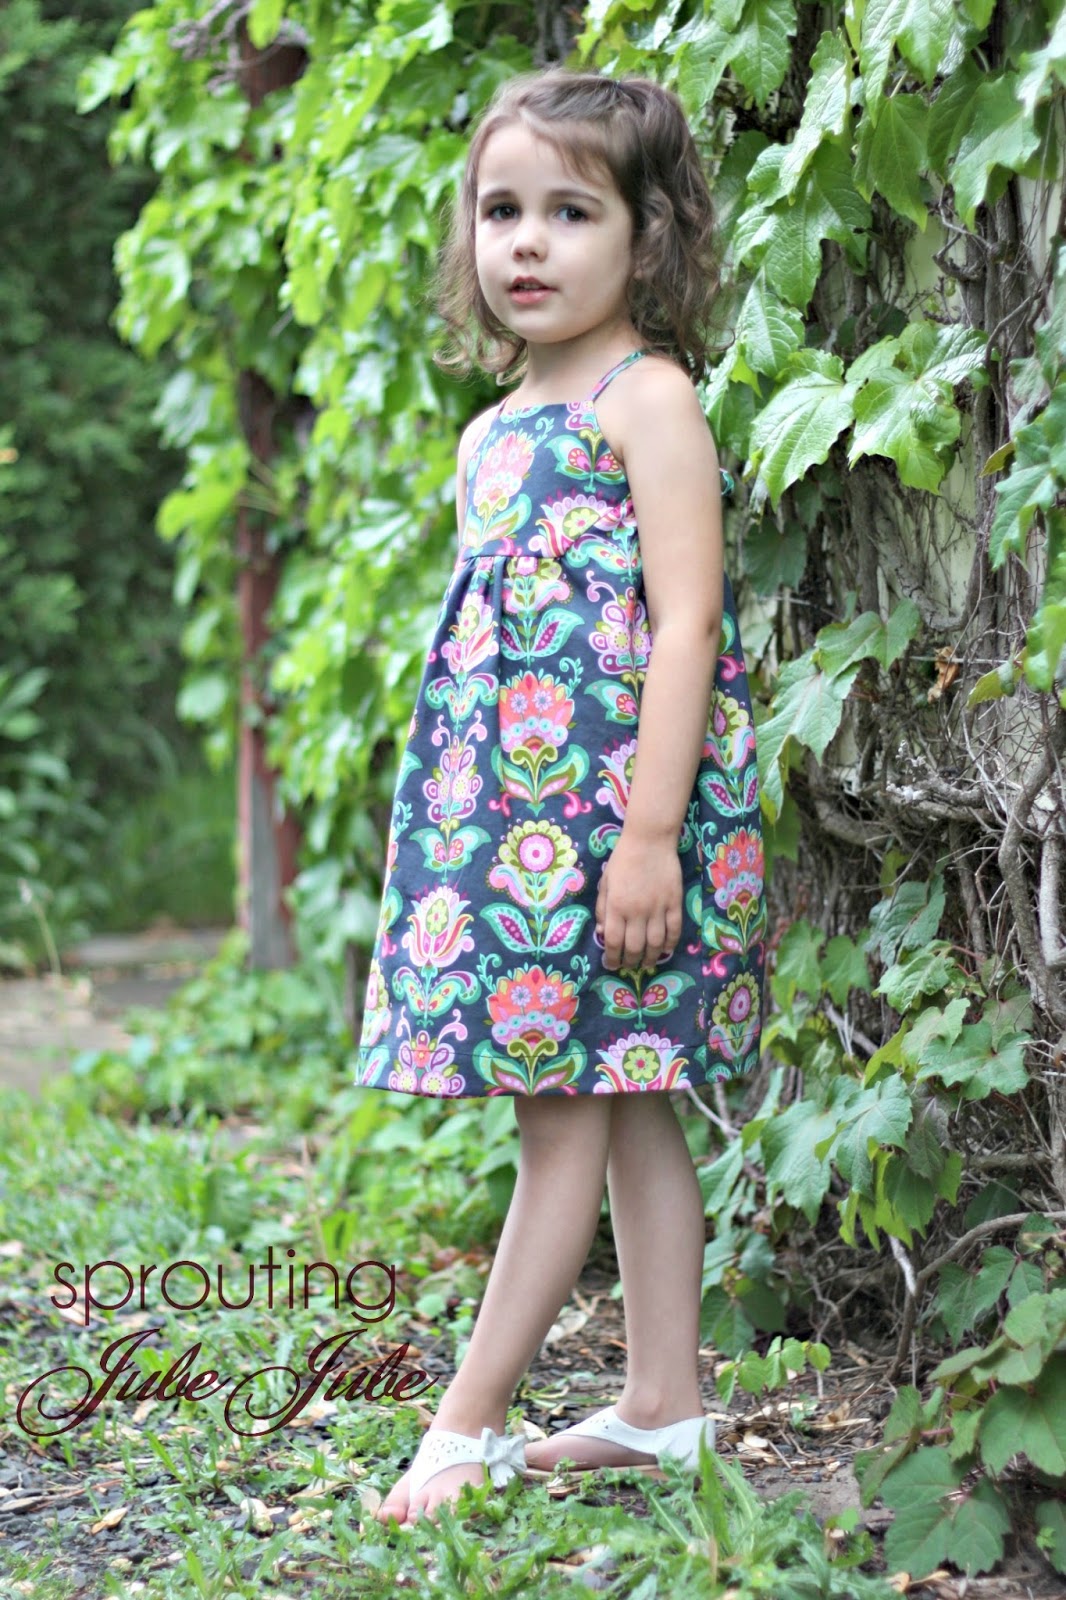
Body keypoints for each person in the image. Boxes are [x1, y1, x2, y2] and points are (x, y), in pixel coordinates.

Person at [353, 66, 767, 1528]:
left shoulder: (645, 400)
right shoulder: (487, 434)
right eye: (500, 211)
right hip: (509, 831)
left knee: (566, 1116)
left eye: (571, 213)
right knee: (629, 1101)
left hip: (610, 833)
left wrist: (648, 838)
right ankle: (661, 1409)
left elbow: (687, 625)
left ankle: (463, 1424)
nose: (525, 242)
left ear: (649, 237)